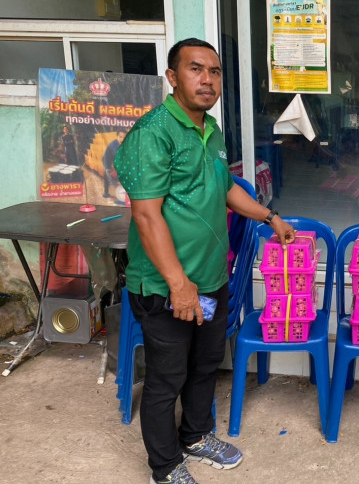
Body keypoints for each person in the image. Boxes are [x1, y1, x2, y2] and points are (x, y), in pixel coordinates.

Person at [114, 38, 295, 484]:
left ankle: (194, 436)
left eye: (214, 71)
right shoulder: (152, 134)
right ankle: (164, 467)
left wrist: (270, 217)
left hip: (211, 281)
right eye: (195, 69)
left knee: (205, 362)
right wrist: (179, 284)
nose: (207, 79)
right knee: (167, 377)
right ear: (172, 77)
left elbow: (225, 188)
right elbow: (146, 215)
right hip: (166, 287)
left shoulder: (210, 129)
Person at [102, 129, 126, 198]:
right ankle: (106, 192)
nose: (122, 139)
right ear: (117, 136)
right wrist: (107, 168)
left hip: (120, 161)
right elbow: (106, 158)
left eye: (124, 137)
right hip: (108, 160)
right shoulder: (112, 145)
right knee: (107, 174)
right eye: (120, 137)